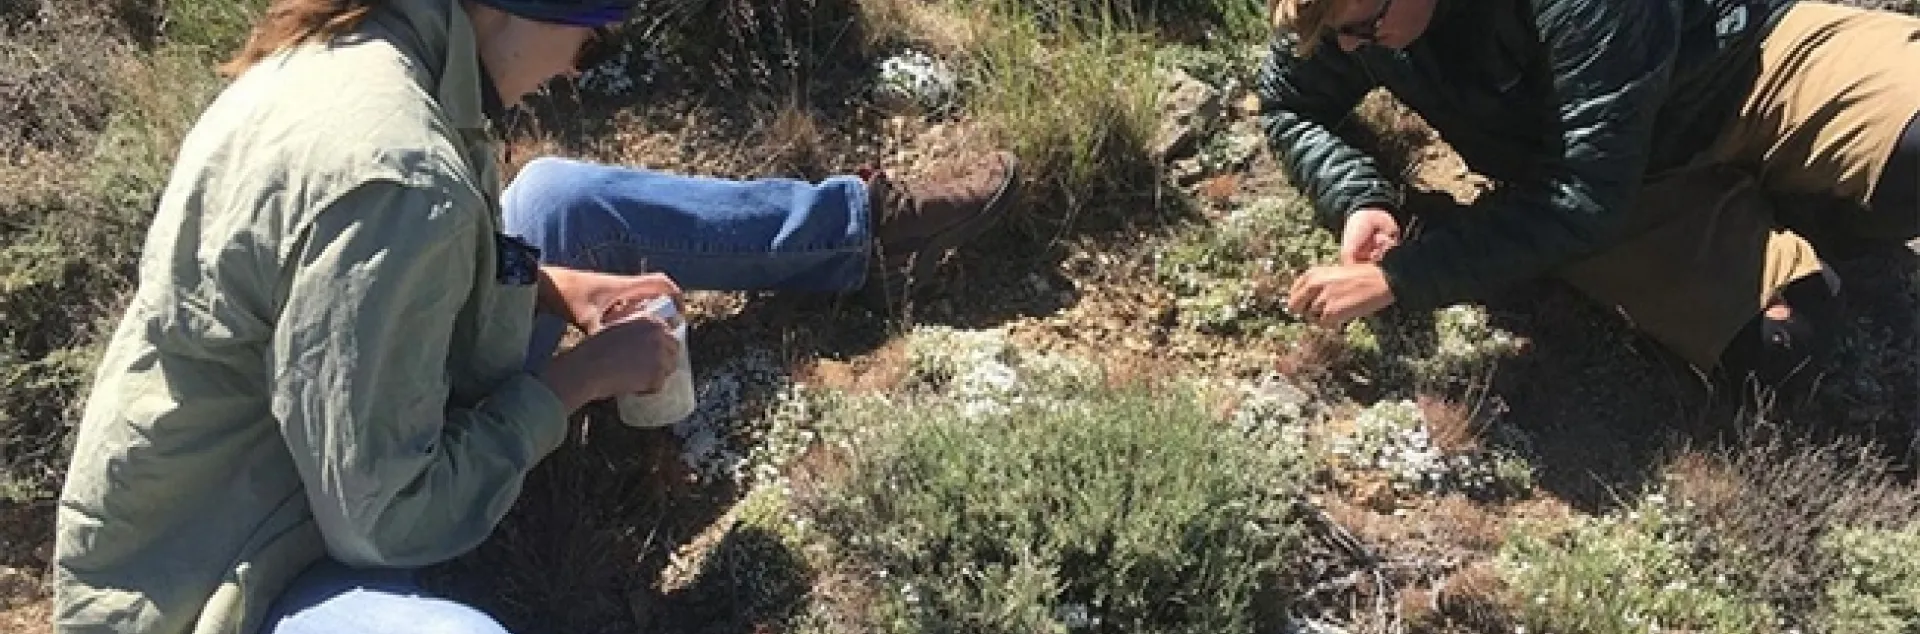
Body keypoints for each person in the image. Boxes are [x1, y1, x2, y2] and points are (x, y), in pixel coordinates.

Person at [49, 0, 1018, 632]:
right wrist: (578, 380)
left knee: (556, 195)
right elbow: (382, 520)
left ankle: (853, 231)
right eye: (589, 30)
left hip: (312, 463)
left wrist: (557, 287)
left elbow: (407, 270)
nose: (582, 62)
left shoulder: (380, 50)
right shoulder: (397, 172)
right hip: (217, 581)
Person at [1258, 0, 1919, 387]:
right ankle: (1792, 226)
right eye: (1337, 32)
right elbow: (1289, 102)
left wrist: (1405, 278)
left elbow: (1583, 198)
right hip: (1627, 183)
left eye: (1364, 27)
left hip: (1749, 64)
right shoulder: (1345, 13)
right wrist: (1360, 199)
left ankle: (1818, 193)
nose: (1348, 46)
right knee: (1782, 356)